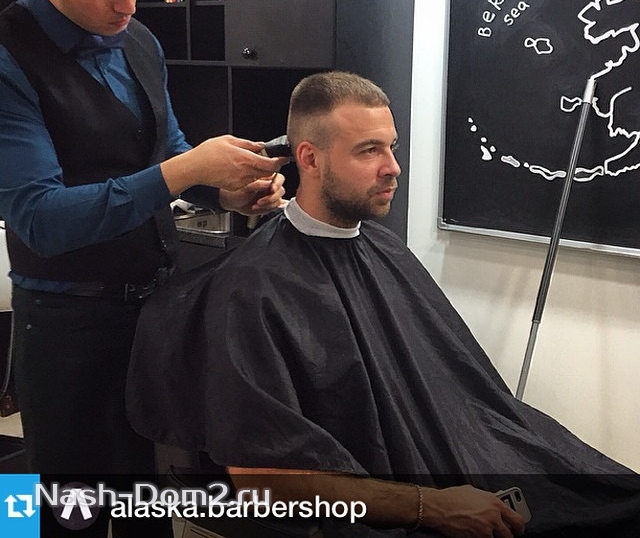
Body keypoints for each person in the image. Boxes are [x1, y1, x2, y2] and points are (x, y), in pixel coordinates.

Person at [127, 72, 640, 538]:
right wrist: (429, 506)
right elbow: (265, 479)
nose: (393, 168)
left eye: (392, 147)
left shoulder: (383, 248)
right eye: (369, 150)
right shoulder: (251, 289)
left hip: (462, 462)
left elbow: (467, 396)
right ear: (310, 159)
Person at [0, 0, 288, 535]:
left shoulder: (138, 41)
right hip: (65, 327)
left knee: (145, 503)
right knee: (62, 512)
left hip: (154, 312)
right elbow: (40, 218)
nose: (127, 1)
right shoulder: (9, 59)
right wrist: (188, 171)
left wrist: (225, 192)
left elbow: (168, 149)